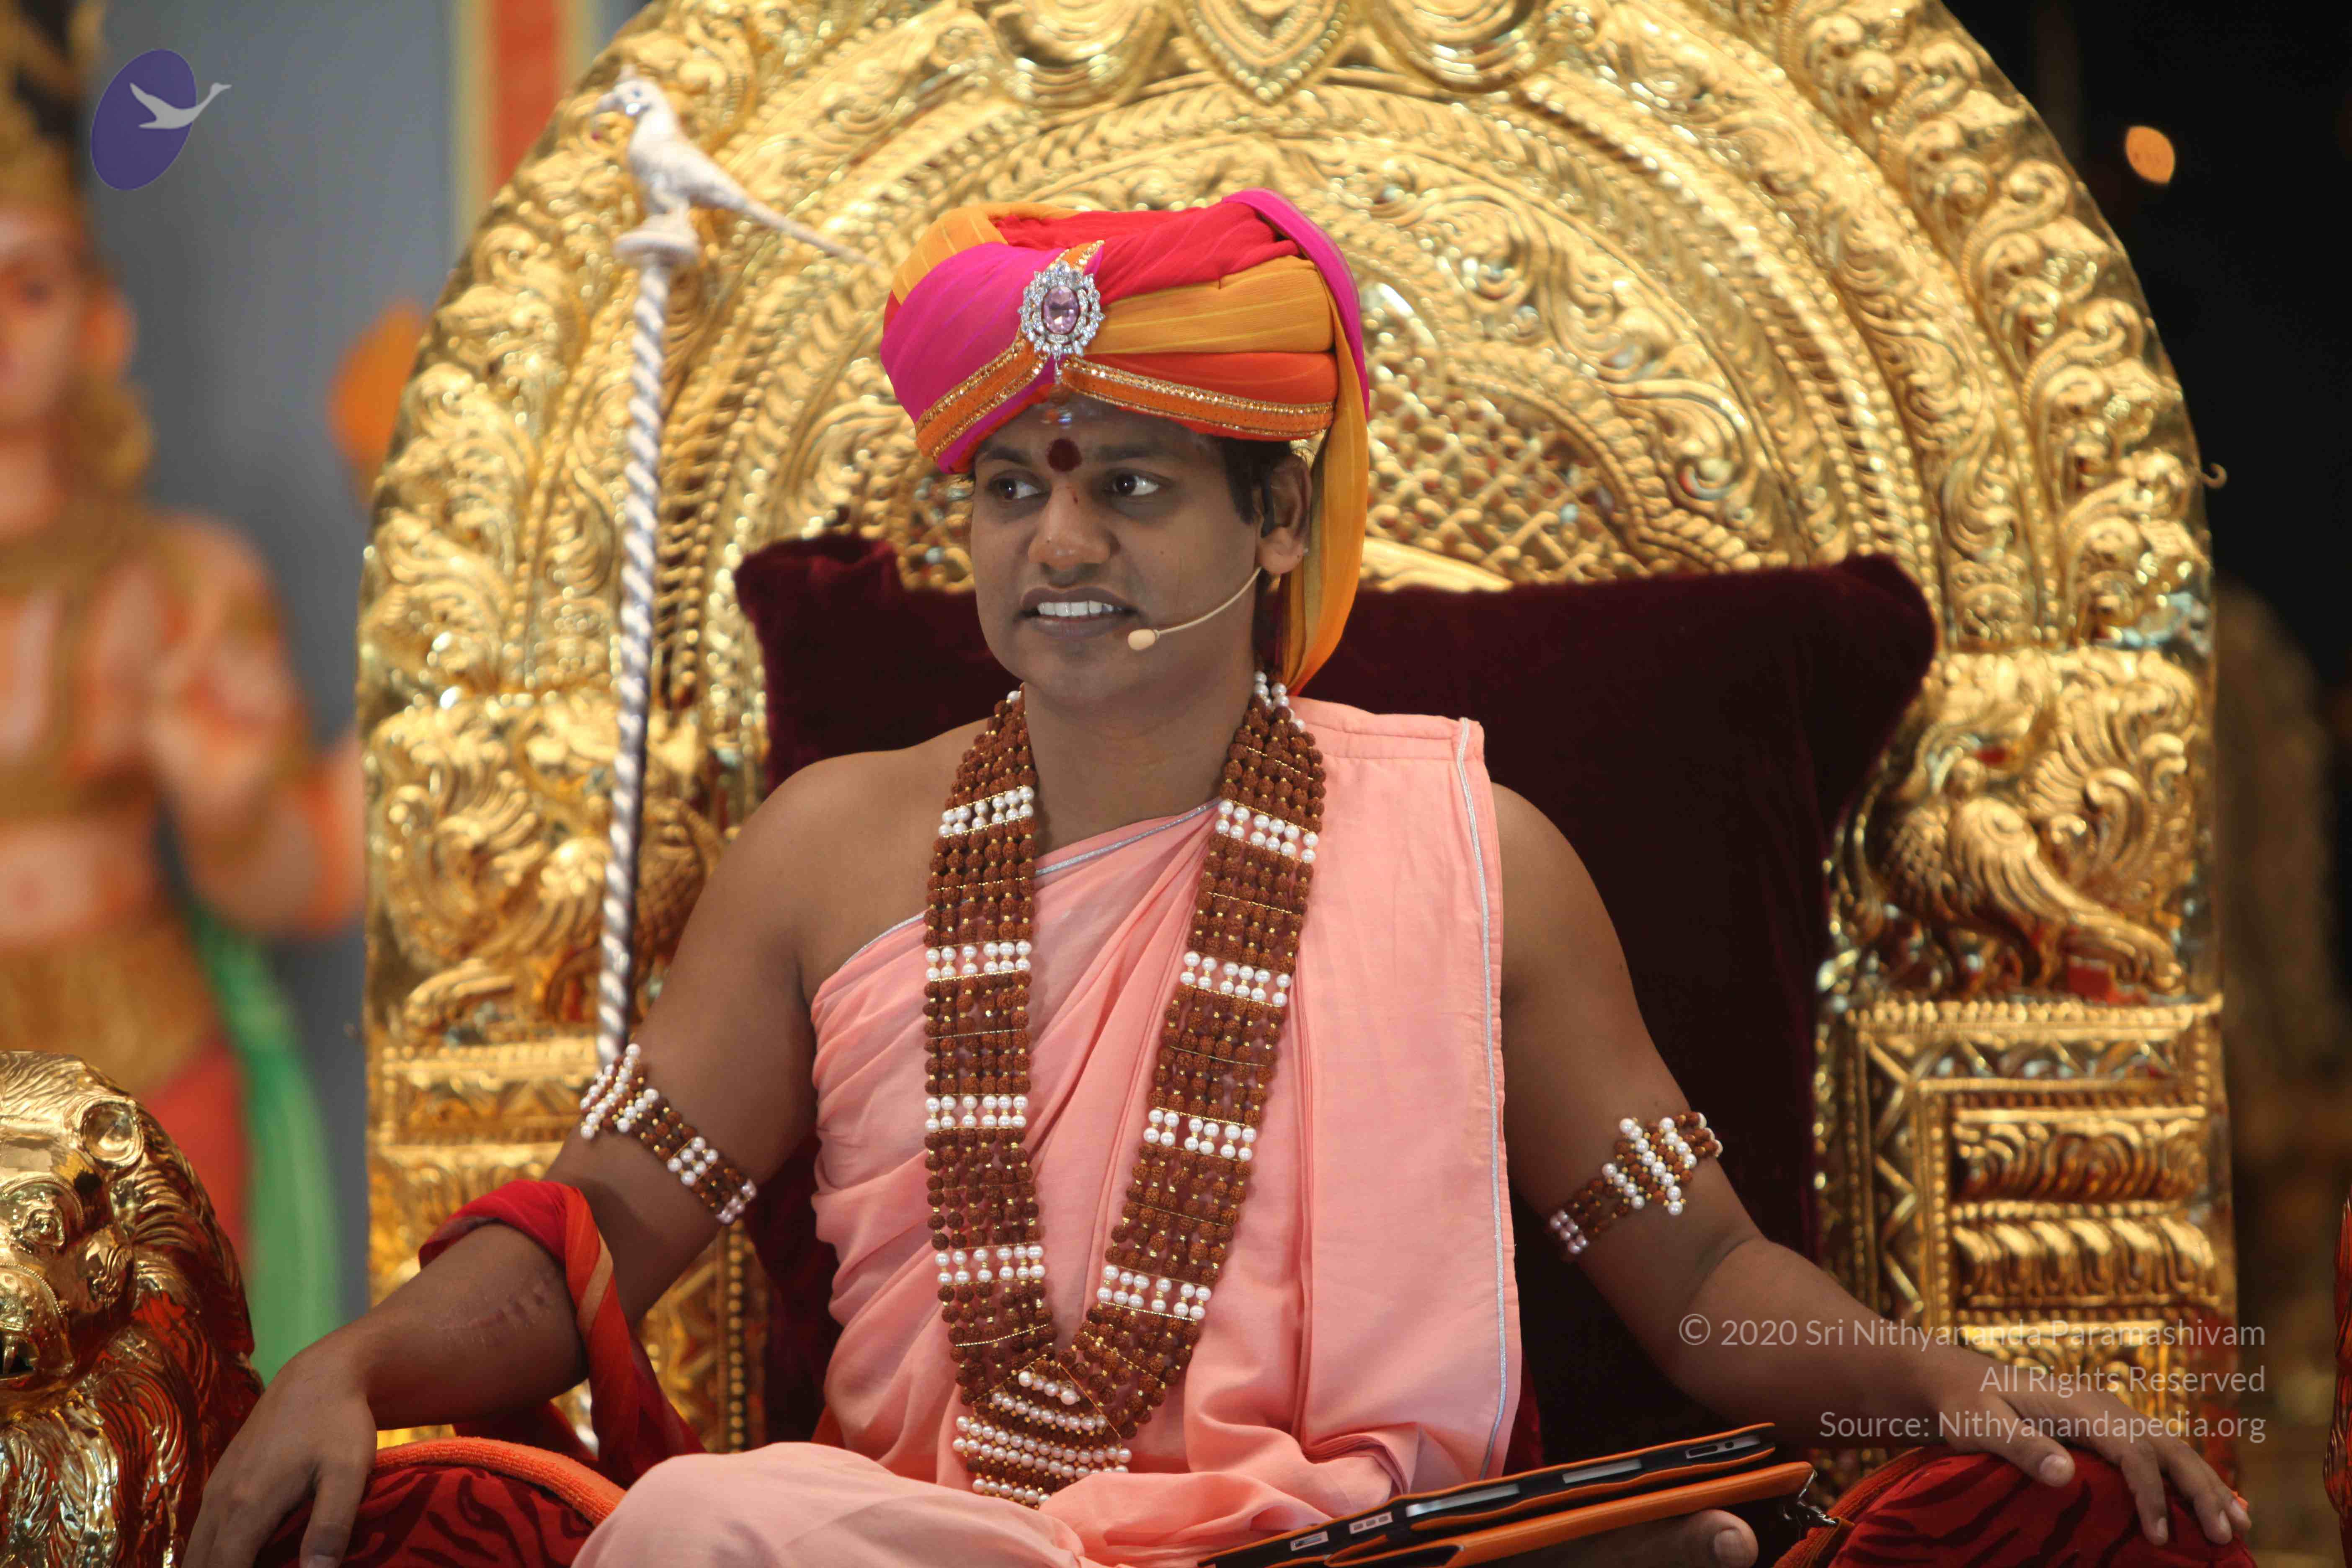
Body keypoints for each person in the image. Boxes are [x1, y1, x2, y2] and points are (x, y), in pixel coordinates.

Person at [188, 193, 2249, 1568]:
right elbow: (600, 1227)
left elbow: (1703, 1281)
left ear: (1277, 523)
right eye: (1013, 485)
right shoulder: (833, 848)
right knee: (709, 1534)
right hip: (941, 1548)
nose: (1058, 540)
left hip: (1356, 1546)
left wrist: (1941, 1379)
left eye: (1132, 483)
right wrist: (351, 1366)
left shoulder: (1476, 859)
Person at [0, 0, 355, 1369]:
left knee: (160, 1419)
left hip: (136, 1067)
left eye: (31, 286)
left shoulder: (186, 580)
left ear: (103, 322)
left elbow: (295, 881)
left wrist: (229, 813)